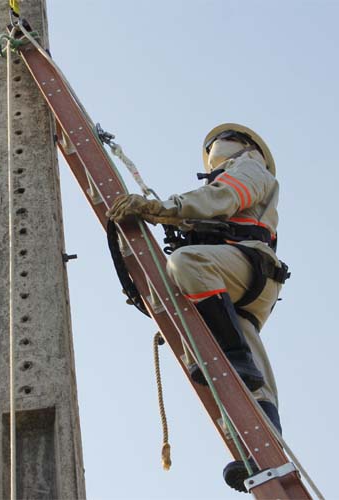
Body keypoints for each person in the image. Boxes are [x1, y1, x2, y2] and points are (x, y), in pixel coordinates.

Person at [106, 123, 289, 492]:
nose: (214, 149)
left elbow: (224, 198)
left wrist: (160, 209)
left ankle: (235, 355)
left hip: (242, 265)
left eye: (219, 144)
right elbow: (211, 207)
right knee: (223, 363)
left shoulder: (250, 167)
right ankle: (256, 450)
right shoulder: (221, 184)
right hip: (237, 277)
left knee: (188, 264)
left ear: (242, 146)